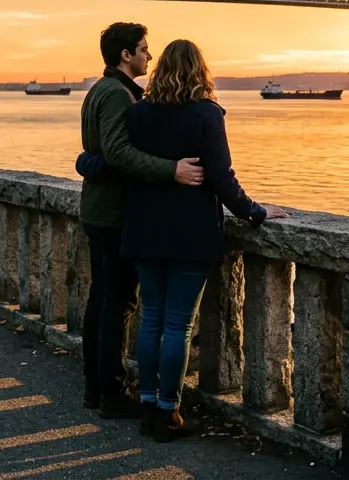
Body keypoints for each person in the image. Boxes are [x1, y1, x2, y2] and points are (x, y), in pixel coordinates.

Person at [122, 39, 286, 442]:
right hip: (188, 233)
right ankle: (168, 413)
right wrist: (256, 211)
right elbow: (221, 177)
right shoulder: (207, 114)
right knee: (177, 324)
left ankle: (146, 403)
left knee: (151, 319)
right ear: (200, 70)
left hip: (144, 229)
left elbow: (129, 164)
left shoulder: (140, 113)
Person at [78, 22, 205, 419]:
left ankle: (96, 388)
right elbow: (117, 153)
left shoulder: (101, 90)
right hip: (114, 213)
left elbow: (98, 154)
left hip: (98, 209)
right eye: (144, 49)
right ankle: (111, 392)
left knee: (102, 300)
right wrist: (172, 170)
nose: (149, 56)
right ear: (126, 56)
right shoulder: (117, 94)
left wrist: (86, 163)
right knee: (119, 304)